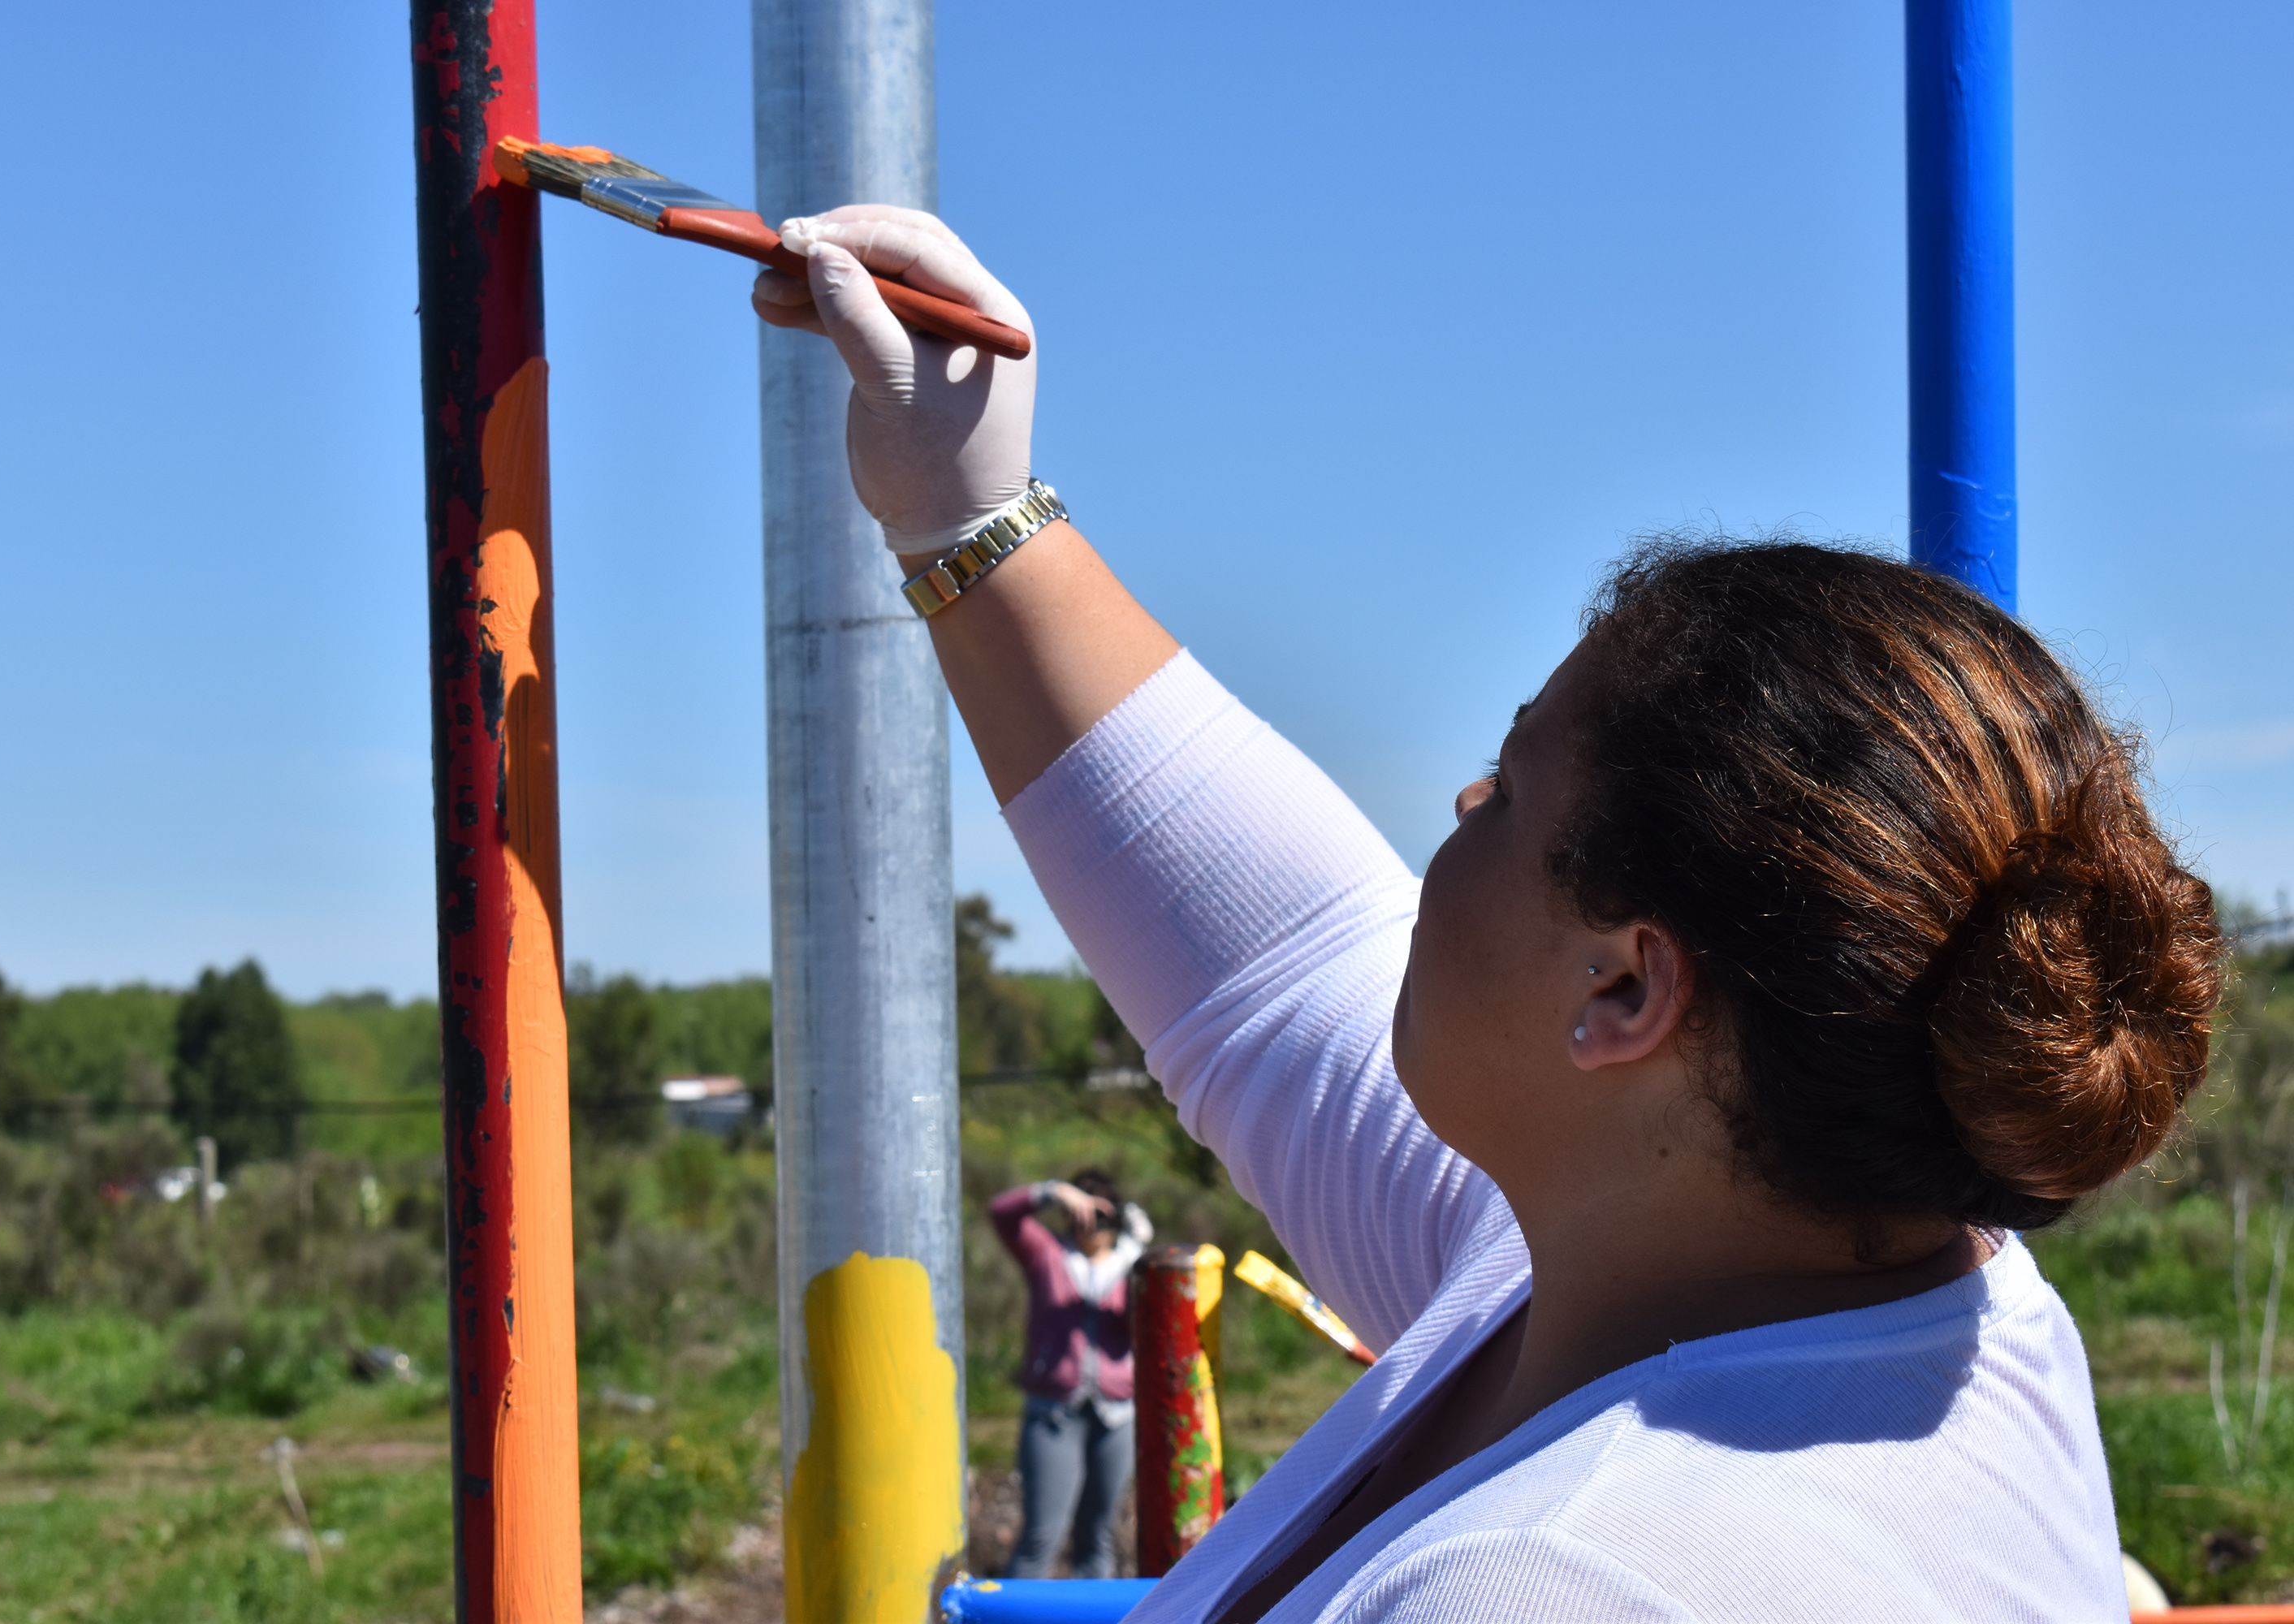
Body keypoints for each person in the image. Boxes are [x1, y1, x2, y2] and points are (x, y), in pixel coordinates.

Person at [750, 213, 2221, 1621]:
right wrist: (969, 503)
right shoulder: (1866, 1291)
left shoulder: (1554, 1586)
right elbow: (1279, 960)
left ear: (1628, 994)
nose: (1459, 806)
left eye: (1511, 789)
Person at [989, 1170, 1155, 1578]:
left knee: (1099, 1538)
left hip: (1116, 1415)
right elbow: (1001, 1214)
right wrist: (1054, 1193)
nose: (1091, 1225)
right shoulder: (1048, 1255)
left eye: (1101, 1216)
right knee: (1042, 1535)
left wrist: (1137, 1245)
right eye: (1083, 1213)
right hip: (1054, 1414)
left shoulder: (1132, 1265)